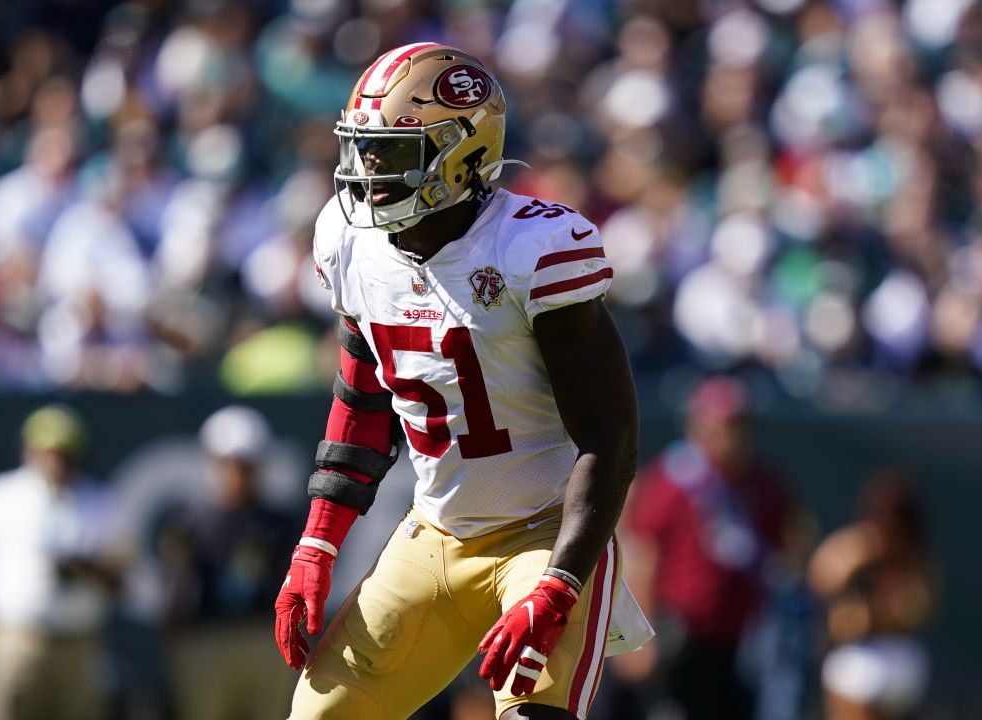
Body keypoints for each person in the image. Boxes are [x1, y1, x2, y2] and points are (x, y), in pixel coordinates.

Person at [273, 43, 652, 720]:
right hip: (435, 534)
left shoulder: (529, 249)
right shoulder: (351, 243)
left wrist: (561, 585)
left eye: (393, 153)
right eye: (364, 150)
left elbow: (611, 437)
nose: (369, 173)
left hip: (543, 536)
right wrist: (316, 543)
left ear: (462, 155)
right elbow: (363, 398)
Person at [618, 377, 795, 720]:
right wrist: (638, 636)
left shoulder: (764, 484)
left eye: (745, 426)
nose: (739, 436)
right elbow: (640, 556)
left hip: (740, 641)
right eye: (730, 426)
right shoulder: (675, 480)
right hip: (681, 638)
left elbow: (785, 548)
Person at [0, 405, 128, 720]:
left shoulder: (101, 502)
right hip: (13, 642)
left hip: (78, 645)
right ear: (27, 450)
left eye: (63, 452)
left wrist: (85, 567)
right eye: (45, 451)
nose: (54, 460)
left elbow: (120, 584)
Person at [161, 405, 298, 720]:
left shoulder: (277, 522)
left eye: (245, 466)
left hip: (263, 637)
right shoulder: (190, 521)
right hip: (208, 639)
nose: (236, 474)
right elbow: (174, 587)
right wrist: (177, 642)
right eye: (228, 464)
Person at [809, 469, 935, 720]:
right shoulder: (860, 546)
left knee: (848, 669)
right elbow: (821, 576)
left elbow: (914, 609)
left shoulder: (916, 562)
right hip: (874, 661)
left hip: (884, 663)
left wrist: (866, 617)